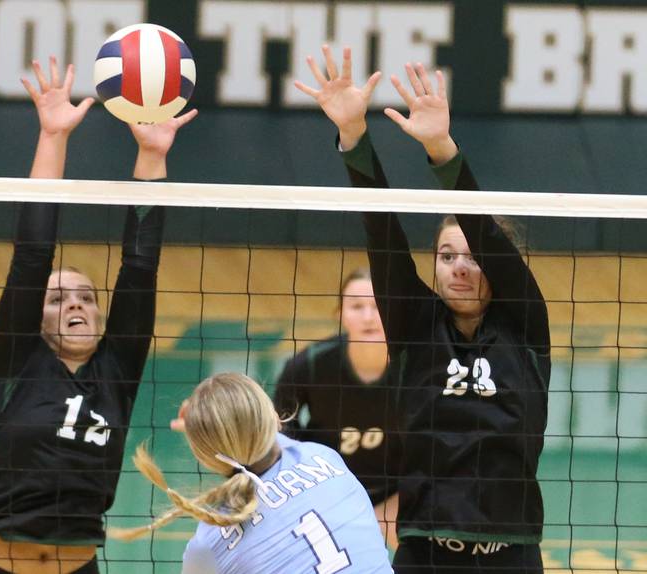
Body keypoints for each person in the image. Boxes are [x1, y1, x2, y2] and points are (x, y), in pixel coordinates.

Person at [295, 46, 550, 573]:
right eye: (446, 255)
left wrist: (440, 147)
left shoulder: (525, 325)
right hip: (423, 556)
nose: (460, 266)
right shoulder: (415, 325)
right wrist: (353, 138)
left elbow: (483, 232)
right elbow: (382, 235)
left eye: (473, 257)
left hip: (512, 558)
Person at [0, 57, 197, 574]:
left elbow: (139, 266)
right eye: (59, 299)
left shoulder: (118, 368)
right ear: (34, 320)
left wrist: (152, 155)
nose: (77, 304)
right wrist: (52, 137)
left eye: (86, 297)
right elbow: (32, 251)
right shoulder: (16, 359)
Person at [114, 372, 394, 574]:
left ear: (203, 456)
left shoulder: (207, 544)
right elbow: (258, 439)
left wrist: (209, 430)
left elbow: (245, 444)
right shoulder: (323, 456)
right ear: (273, 417)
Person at [272, 267, 399, 550]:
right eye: (356, 306)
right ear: (339, 312)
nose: (368, 317)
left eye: (378, 306)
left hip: (395, 494)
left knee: (419, 546)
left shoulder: (416, 368)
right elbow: (281, 432)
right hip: (328, 490)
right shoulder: (311, 365)